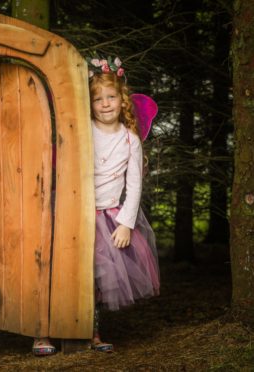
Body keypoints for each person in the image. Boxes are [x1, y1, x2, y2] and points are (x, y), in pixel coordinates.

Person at [87, 56, 160, 352]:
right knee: (72, 273)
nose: (105, 104)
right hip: (77, 212)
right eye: (97, 99)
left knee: (100, 276)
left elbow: (134, 185)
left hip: (109, 218)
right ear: (90, 104)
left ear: (122, 99)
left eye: (111, 97)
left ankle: (91, 331)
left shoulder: (130, 139)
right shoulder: (84, 131)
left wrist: (126, 223)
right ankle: (58, 326)